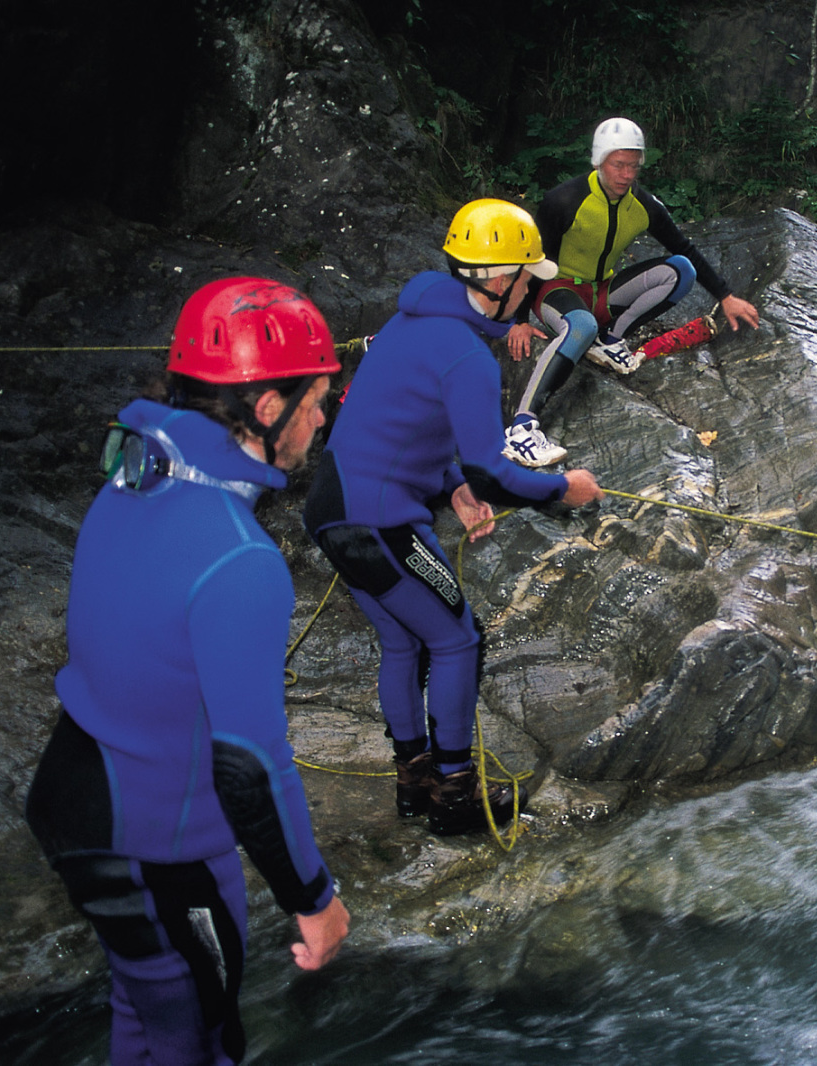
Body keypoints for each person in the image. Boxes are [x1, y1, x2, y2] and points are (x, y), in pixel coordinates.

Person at [25, 277, 351, 1066]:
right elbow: (248, 763)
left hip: (83, 790)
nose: (323, 415)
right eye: (315, 398)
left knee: (146, 1015)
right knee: (200, 1042)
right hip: (148, 840)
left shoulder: (136, 475)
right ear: (265, 409)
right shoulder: (240, 559)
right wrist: (314, 899)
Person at [303, 198, 604, 835]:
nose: (531, 289)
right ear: (496, 281)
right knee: (458, 639)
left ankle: (415, 785)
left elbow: (404, 427)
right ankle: (455, 795)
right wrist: (562, 488)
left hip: (335, 510)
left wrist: (454, 490)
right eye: (527, 279)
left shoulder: (411, 326)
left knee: (404, 641)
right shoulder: (466, 354)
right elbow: (495, 468)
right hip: (381, 520)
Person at [500, 115, 762, 467]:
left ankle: (610, 340)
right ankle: (522, 429)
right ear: (598, 161)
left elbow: (685, 249)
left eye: (633, 166)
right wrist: (517, 320)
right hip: (555, 291)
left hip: (603, 291)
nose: (626, 174)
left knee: (680, 270)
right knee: (581, 326)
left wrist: (725, 296)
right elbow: (532, 259)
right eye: (618, 165)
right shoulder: (563, 200)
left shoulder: (644, 205)